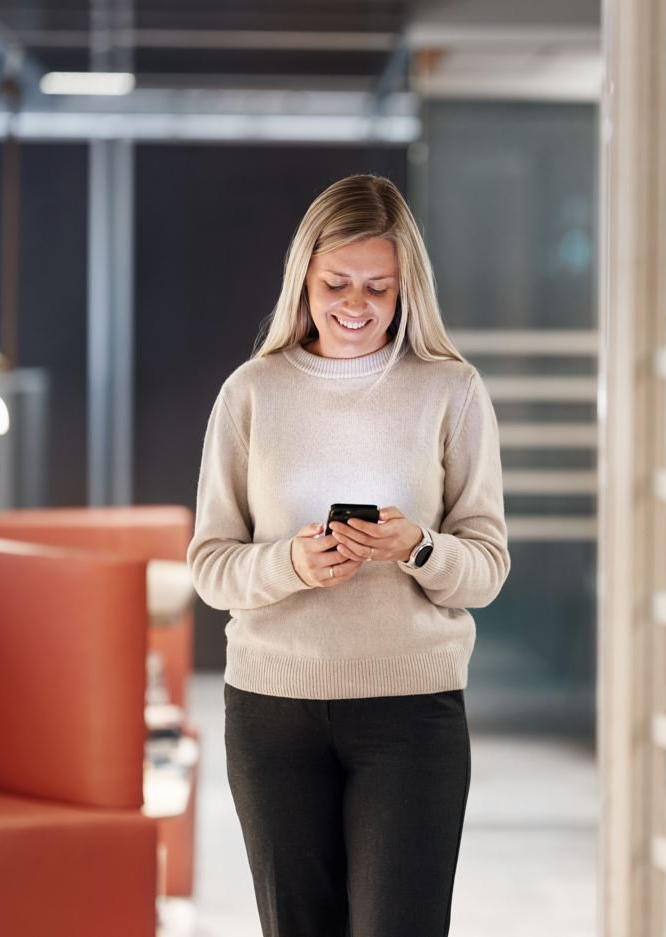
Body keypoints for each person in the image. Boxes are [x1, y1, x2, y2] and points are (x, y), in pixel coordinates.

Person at [186, 174, 510, 937]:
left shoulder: (450, 390)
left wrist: (419, 548)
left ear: (407, 292)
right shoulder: (251, 392)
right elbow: (209, 563)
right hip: (271, 711)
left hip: (411, 715)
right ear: (304, 276)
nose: (356, 305)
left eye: (379, 287)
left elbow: (488, 567)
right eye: (336, 282)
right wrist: (290, 565)